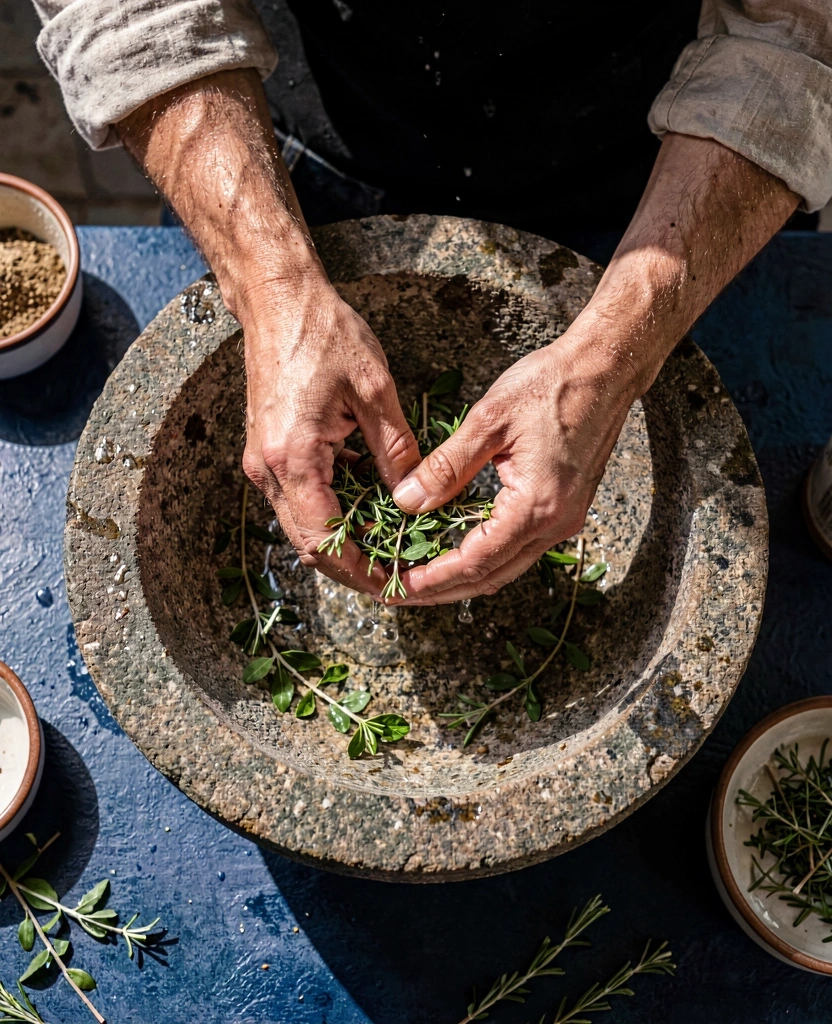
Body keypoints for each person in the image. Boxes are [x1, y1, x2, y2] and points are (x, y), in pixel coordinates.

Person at [34, 0, 832, 604]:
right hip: (276, 152)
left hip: (665, 174)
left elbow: (794, 32)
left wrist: (614, 356)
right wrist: (273, 285)